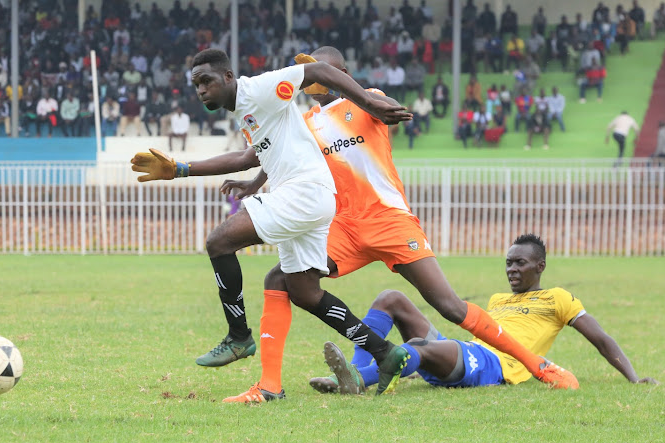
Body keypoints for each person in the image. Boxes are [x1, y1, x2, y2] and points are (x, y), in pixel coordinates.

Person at [214, 47, 578, 402]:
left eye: (321, 69)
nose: (313, 78)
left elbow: (378, 106)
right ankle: (268, 386)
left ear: (342, 74)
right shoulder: (306, 122)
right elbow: (270, 153)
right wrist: (253, 184)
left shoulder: (367, 99)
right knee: (281, 279)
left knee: (450, 306)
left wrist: (378, 106)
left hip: (390, 220)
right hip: (343, 227)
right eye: (310, 70)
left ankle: (538, 365)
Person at [130, 48, 414, 400]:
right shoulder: (247, 111)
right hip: (308, 197)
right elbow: (244, 157)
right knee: (305, 293)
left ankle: (238, 337)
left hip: (304, 193)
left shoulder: (261, 88)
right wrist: (180, 169)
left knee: (219, 241)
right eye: (196, 84)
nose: (201, 89)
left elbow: (320, 71)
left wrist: (370, 103)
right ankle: (385, 353)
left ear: (229, 78)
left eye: (207, 81)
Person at [310, 234, 658, 395]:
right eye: (508, 263)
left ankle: (359, 381)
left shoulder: (558, 298)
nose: (511, 269)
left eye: (519, 263)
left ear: (540, 266)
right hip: (468, 352)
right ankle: (356, 371)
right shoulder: (497, 299)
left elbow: (600, 337)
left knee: (418, 345)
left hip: (494, 367)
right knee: (391, 297)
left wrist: (632, 376)